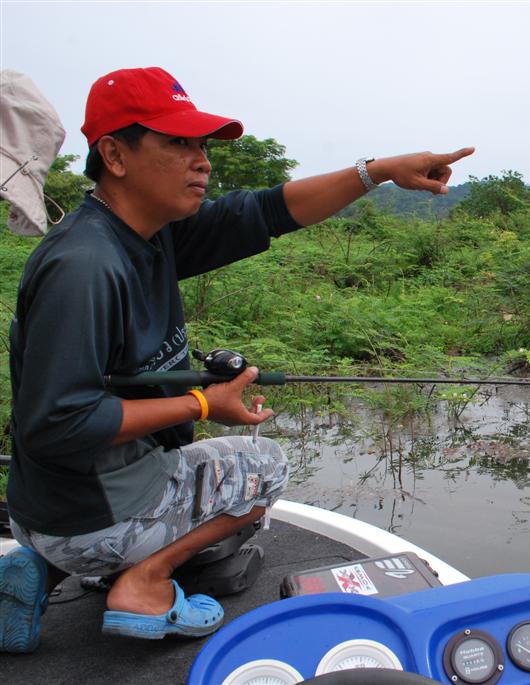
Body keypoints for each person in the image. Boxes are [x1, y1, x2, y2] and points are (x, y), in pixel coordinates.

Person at [0, 66, 473, 652]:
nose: (202, 160)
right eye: (178, 143)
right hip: (86, 515)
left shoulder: (147, 232)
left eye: (202, 144)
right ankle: (142, 581)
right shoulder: (86, 267)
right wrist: (202, 402)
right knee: (264, 465)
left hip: (52, 507)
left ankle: (37, 570)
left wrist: (376, 172)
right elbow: (57, 423)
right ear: (115, 155)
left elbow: (267, 211)